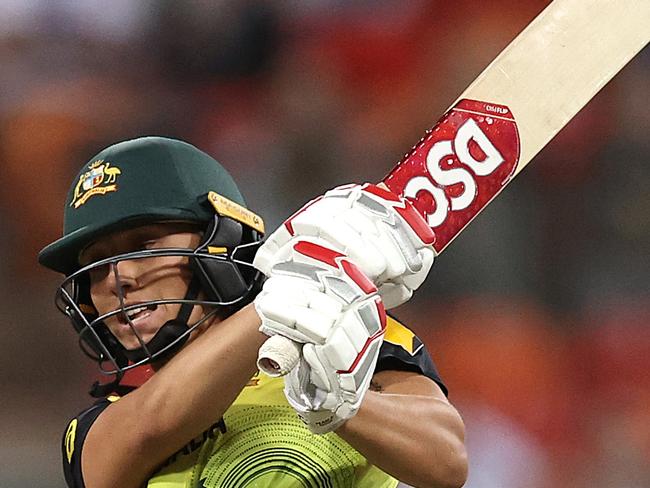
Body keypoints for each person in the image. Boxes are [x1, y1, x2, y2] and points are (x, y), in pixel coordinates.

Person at [39, 136, 467, 488]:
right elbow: (158, 420)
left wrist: (341, 405)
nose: (119, 279)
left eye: (145, 245)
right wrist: (284, 297)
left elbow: (445, 461)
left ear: (222, 240)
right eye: (96, 264)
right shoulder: (97, 426)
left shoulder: (347, 329)